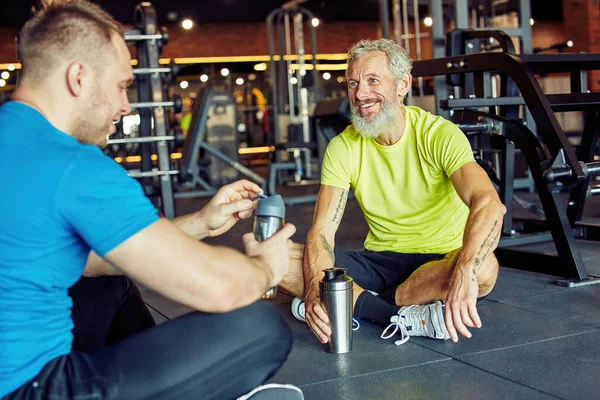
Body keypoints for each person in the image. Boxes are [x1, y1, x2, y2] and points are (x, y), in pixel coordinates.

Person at [0, 1, 302, 399]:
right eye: (122, 86)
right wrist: (266, 266)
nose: (126, 105)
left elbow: (90, 260)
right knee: (259, 326)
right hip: (32, 388)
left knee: (112, 283)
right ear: (78, 78)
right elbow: (221, 289)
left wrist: (200, 222)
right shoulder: (72, 164)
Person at [280, 38, 506, 345]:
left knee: (485, 269)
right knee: (275, 258)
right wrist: (313, 290)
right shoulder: (343, 146)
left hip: (439, 260)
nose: (360, 94)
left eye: (373, 80)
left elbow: (489, 203)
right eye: (353, 83)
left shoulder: (438, 134)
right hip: (379, 261)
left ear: (402, 86)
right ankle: (392, 314)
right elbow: (321, 233)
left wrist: (465, 268)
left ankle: (353, 304)